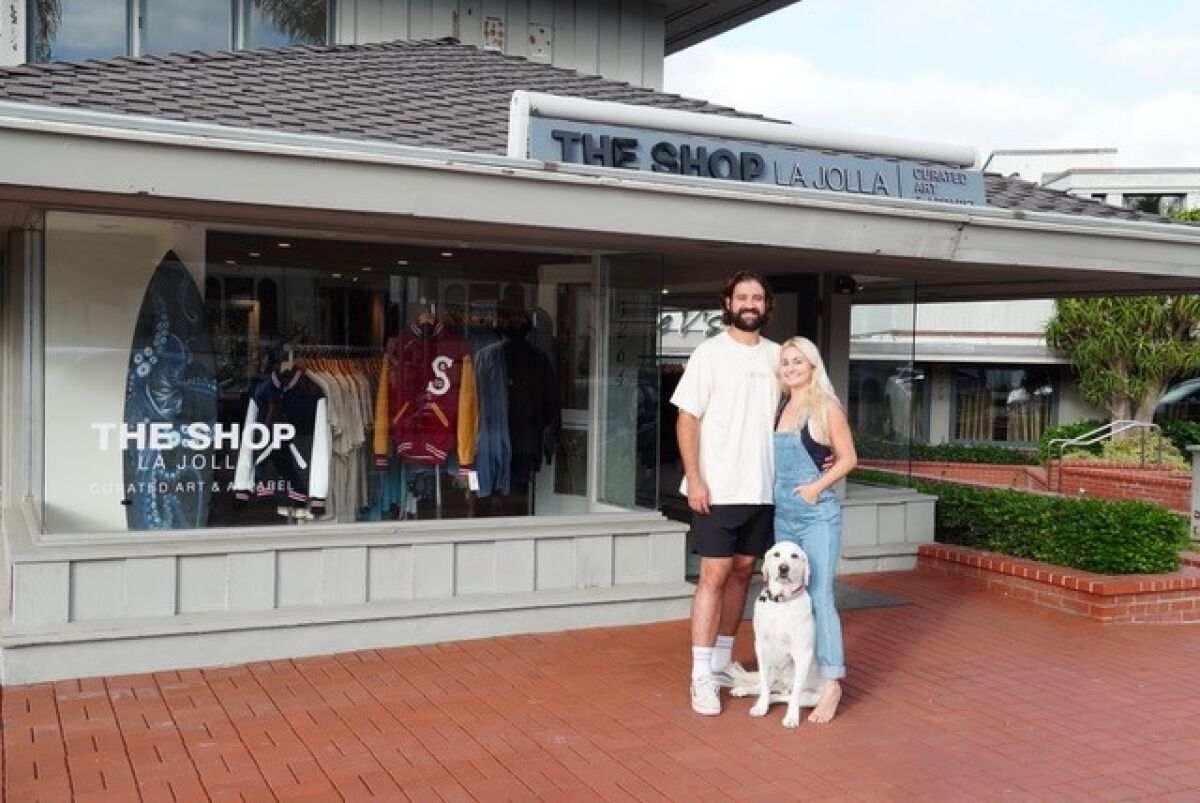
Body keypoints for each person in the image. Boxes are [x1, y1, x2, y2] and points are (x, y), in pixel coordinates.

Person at [671, 271, 780, 716]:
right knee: (713, 575)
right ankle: (700, 677)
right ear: (728, 302)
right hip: (716, 486)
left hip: (762, 488)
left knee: (742, 573)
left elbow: (804, 411)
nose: (749, 304)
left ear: (765, 305)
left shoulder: (779, 357)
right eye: (742, 297)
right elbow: (687, 420)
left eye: (757, 297)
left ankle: (721, 663)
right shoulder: (709, 353)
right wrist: (694, 478)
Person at [773, 336, 857, 723]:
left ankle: (832, 683)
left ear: (813, 366)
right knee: (789, 597)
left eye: (798, 362)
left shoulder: (825, 406)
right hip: (783, 514)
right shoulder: (781, 406)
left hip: (816, 514)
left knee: (820, 596)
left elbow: (849, 459)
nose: (791, 368)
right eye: (786, 362)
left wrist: (815, 489)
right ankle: (797, 675)